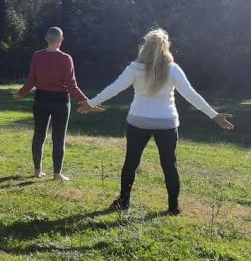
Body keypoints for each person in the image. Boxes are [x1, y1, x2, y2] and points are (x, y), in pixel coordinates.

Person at [79, 29, 234, 215]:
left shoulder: (134, 68)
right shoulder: (173, 69)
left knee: (131, 162)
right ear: (165, 47)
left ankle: (123, 202)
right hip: (167, 123)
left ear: (144, 47)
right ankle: (173, 207)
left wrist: (90, 103)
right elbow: (191, 95)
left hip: (138, 121)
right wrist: (214, 115)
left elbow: (114, 88)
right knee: (169, 165)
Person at [13, 27, 88, 181]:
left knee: (39, 135)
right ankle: (57, 174)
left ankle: (37, 171)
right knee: (59, 137)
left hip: (41, 99)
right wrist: (86, 101)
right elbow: (72, 85)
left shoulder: (37, 56)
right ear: (61, 40)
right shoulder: (66, 58)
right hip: (61, 101)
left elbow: (31, 80)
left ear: (46, 39)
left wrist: (21, 93)